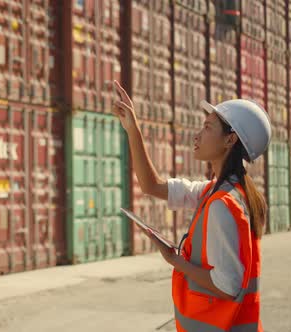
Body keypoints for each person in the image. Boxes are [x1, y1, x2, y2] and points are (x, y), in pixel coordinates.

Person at [112, 80, 270, 332]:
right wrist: (133, 130)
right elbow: (152, 186)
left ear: (230, 140)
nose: (197, 135)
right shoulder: (218, 191)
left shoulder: (223, 204)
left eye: (207, 127)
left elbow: (228, 286)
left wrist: (175, 259)